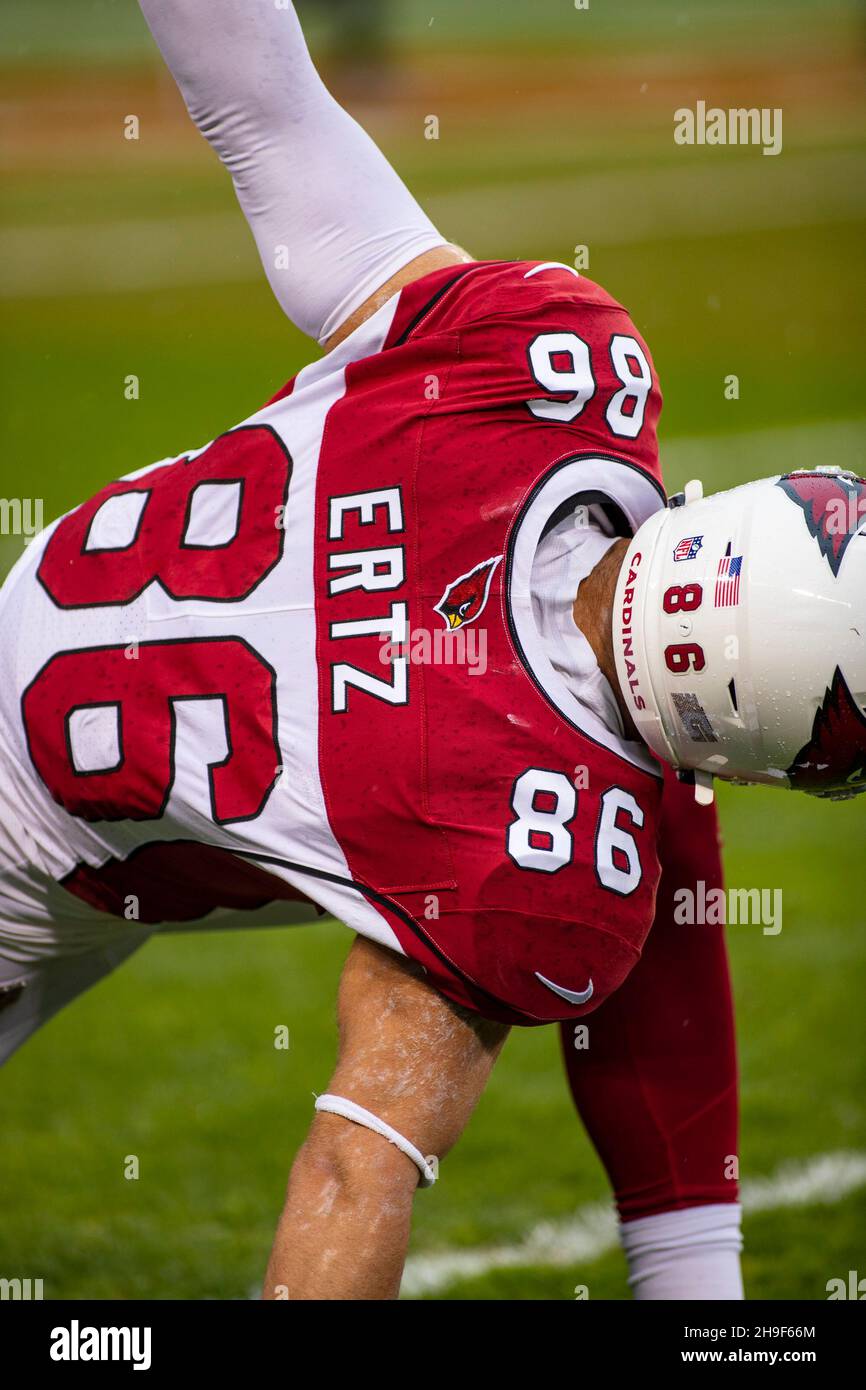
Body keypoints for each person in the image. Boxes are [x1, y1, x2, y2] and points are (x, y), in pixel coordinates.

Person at [1, 0, 862, 1300]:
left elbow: (264, 104)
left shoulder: (543, 358)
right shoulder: (547, 869)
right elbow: (351, 1172)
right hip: (30, 858)